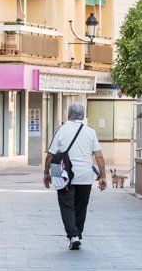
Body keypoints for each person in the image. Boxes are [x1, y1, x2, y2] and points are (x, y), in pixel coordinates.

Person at [43, 102, 107, 250]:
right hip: (85, 176)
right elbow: (99, 157)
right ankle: (77, 234)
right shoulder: (90, 132)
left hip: (65, 176)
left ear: (68, 115)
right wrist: (103, 176)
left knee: (67, 206)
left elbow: (50, 155)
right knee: (81, 207)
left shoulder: (62, 130)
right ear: (83, 116)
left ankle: (73, 236)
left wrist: (46, 173)